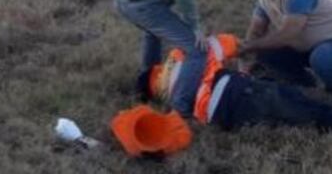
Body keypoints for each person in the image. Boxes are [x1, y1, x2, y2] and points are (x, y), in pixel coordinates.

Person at [114, 0, 232, 117]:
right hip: (142, 4)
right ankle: (180, 109)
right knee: (197, 50)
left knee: (152, 33)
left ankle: (147, 84)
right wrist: (194, 27)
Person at [138, 32, 332, 132]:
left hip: (224, 117)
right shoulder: (178, 56)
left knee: (286, 116)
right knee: (296, 103)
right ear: (156, 69)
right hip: (234, 90)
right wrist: (236, 43)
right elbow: (216, 46)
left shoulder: (170, 100)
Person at [239, 0, 332, 91]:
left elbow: (288, 35)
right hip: (305, 47)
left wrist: (251, 45)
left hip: (327, 43)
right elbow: (256, 31)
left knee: (321, 57)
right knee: (265, 52)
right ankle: (306, 87)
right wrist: (245, 54)